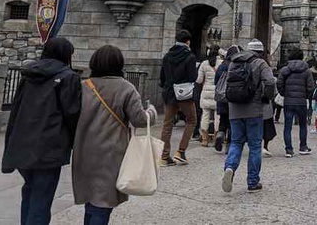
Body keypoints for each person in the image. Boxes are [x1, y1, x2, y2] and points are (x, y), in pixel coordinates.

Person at [72, 44, 156, 225]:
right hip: (111, 152)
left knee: (90, 198)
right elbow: (140, 120)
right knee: (102, 202)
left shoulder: (83, 86)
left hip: (84, 149)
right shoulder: (126, 88)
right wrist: (151, 112)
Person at [2, 37, 81, 225]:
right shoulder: (69, 77)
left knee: (29, 191)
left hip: (22, 143)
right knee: (41, 198)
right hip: (49, 145)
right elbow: (72, 113)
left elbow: (16, 109)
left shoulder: (28, 75)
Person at [222, 39, 275, 193]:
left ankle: (230, 167)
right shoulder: (260, 63)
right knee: (254, 146)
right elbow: (270, 81)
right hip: (254, 110)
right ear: (260, 52)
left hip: (234, 109)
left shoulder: (234, 62)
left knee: (236, 143)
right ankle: (252, 181)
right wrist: (266, 97)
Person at [159, 29, 198, 166]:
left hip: (169, 93)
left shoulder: (167, 56)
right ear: (187, 41)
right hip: (184, 94)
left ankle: (164, 156)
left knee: (167, 123)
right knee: (191, 120)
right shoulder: (190, 57)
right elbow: (193, 77)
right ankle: (181, 151)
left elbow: (162, 77)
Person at [276, 47, 315, 157]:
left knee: (287, 126)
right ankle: (303, 147)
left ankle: (289, 150)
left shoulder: (285, 69)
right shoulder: (306, 70)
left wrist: (284, 93)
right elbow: (311, 87)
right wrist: (305, 96)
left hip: (288, 101)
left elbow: (279, 83)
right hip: (301, 101)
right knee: (302, 125)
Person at [214, 45, 240, 152]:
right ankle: (229, 145)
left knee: (223, 120)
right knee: (232, 123)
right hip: (233, 98)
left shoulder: (221, 66)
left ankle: (220, 134)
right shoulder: (237, 65)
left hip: (221, 97)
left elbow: (216, 82)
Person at [196, 45, 220, 148]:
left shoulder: (204, 64)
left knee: (205, 115)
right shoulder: (221, 63)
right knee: (217, 116)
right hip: (217, 92)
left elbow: (199, 80)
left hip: (205, 92)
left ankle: (204, 139)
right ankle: (216, 137)